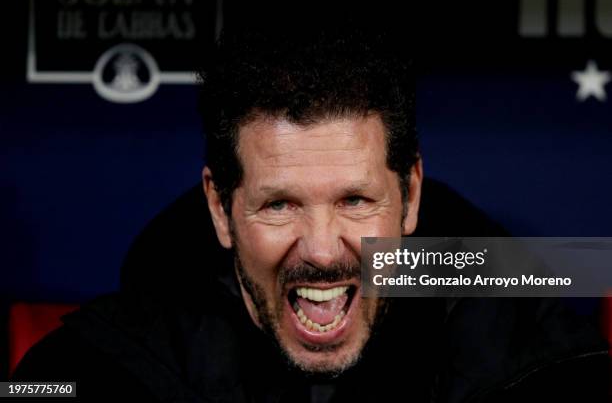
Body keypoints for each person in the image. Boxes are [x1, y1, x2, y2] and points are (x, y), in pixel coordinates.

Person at [12, 24, 609, 402]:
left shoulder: (505, 314)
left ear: (411, 197)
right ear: (221, 209)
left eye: (355, 200)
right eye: (280, 205)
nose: (323, 251)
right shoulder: (128, 344)